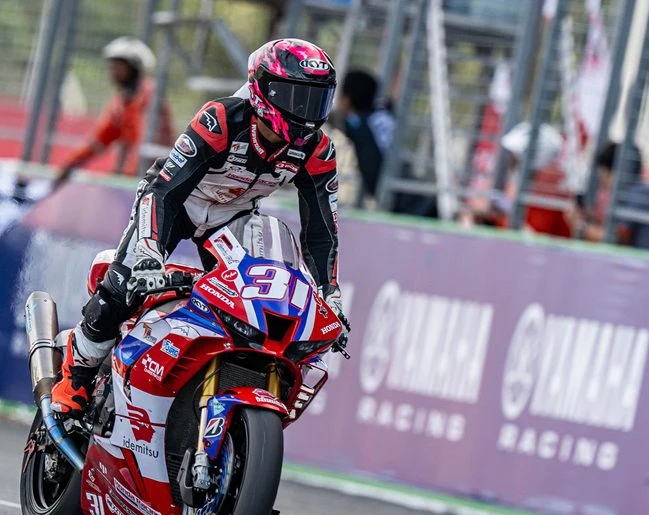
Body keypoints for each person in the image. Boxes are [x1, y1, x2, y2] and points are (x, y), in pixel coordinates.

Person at [51, 38, 347, 416]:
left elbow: (322, 230)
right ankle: (76, 374)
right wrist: (148, 252)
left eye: (317, 100)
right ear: (263, 89)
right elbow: (165, 191)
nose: (306, 113)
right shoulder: (220, 118)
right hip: (178, 203)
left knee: (252, 308)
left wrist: (330, 293)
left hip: (234, 217)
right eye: (297, 97)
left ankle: (208, 386)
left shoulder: (318, 150)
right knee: (124, 284)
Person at [53, 37, 174, 186]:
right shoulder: (121, 103)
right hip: (135, 177)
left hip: (155, 179)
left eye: (119, 66)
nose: (113, 72)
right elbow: (99, 141)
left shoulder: (150, 96)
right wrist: (69, 165)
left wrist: (126, 178)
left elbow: (147, 145)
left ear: (134, 69)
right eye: (112, 66)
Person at [569, 142, 649, 249]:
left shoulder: (636, 194)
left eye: (602, 172)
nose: (601, 180)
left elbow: (617, 240)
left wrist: (580, 226)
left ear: (611, 172)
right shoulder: (639, 191)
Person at [336, 69, 395, 205]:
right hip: (400, 181)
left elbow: (337, 119)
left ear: (346, 99)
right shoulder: (382, 112)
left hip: (394, 196)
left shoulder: (356, 123)